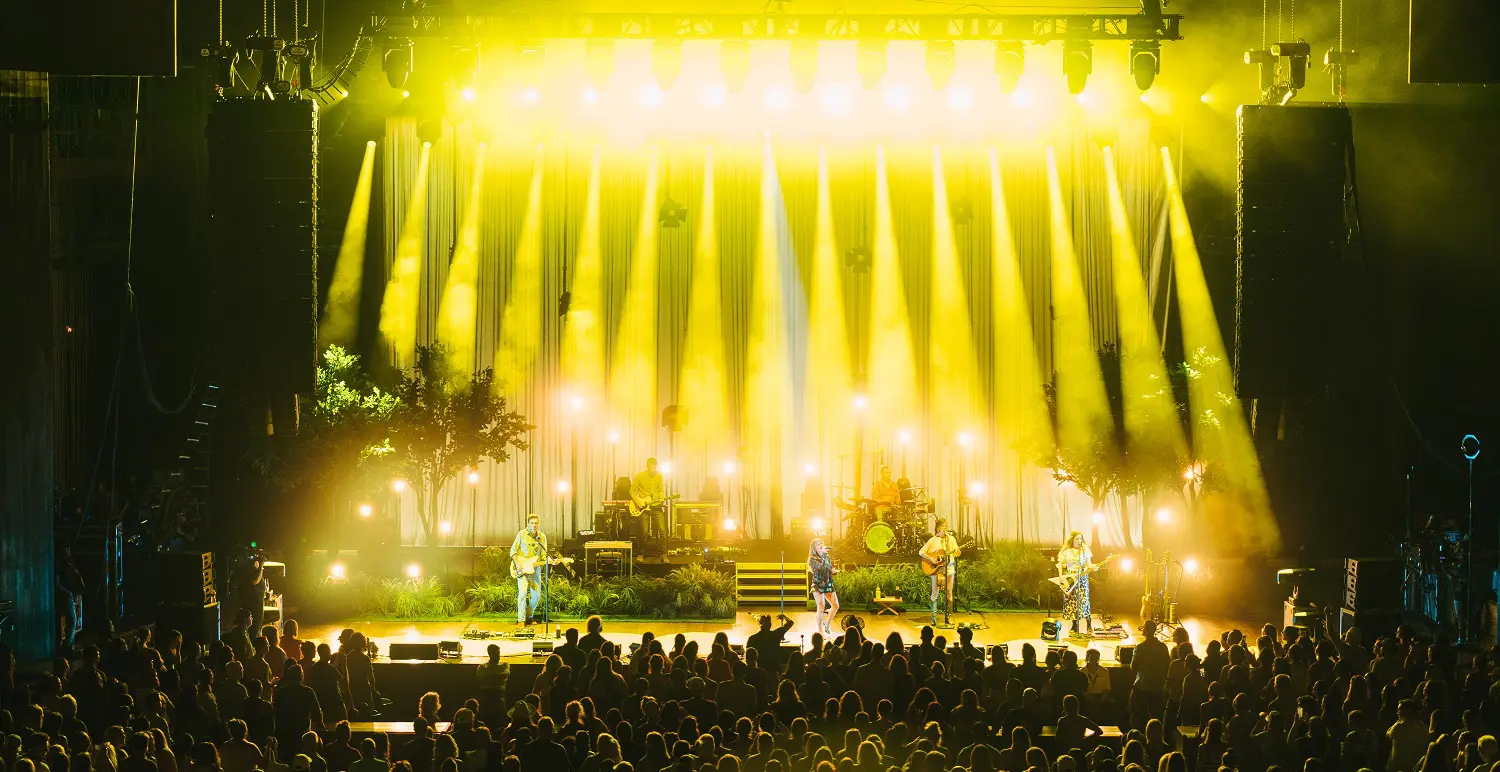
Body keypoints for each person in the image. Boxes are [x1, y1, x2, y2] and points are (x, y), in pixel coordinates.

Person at [918, 519, 960, 626]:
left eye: (946, 525)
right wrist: (931, 559)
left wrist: (958, 552)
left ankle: (948, 617)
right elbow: (921, 552)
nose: (945, 528)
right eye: (943, 526)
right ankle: (933, 617)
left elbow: (956, 553)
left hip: (949, 568)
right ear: (938, 529)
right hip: (936, 570)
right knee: (935, 593)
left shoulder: (951, 539)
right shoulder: (933, 540)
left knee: (949, 592)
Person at [510, 514, 549, 626]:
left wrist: (550, 561)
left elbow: (543, 556)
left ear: (538, 524)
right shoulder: (522, 534)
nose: (534, 525)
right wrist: (518, 564)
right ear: (528, 524)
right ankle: (521, 620)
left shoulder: (542, 537)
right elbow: (513, 551)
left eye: (536, 523)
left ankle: (529, 616)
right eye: (532, 523)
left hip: (535, 570)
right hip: (522, 569)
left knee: (536, 596)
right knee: (522, 594)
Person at [1055, 531, 1095, 636]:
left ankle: (1089, 623)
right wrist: (1061, 577)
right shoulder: (1066, 552)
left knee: (1083, 600)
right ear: (1072, 540)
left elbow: (1089, 564)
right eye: (1077, 539)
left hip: (1081, 578)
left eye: (1080, 539)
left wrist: (1093, 567)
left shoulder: (1085, 550)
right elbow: (1060, 564)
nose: (1079, 541)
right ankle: (1074, 625)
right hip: (1070, 578)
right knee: (1072, 601)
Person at [630, 459, 669, 550]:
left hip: (656, 506)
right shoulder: (640, 476)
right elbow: (632, 491)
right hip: (644, 507)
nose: (653, 470)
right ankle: (641, 553)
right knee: (644, 532)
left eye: (655, 468)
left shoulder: (659, 476)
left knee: (663, 531)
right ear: (647, 466)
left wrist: (662, 497)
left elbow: (660, 490)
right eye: (651, 467)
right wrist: (638, 501)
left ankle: (663, 553)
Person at [808, 539, 840, 637]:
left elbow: (828, 568)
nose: (822, 545)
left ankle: (827, 623)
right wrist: (823, 554)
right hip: (818, 584)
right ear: (814, 548)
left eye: (822, 543)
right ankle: (819, 630)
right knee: (821, 607)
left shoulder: (826, 556)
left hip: (827, 584)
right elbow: (820, 567)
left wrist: (832, 571)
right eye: (819, 545)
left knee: (836, 606)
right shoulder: (812, 559)